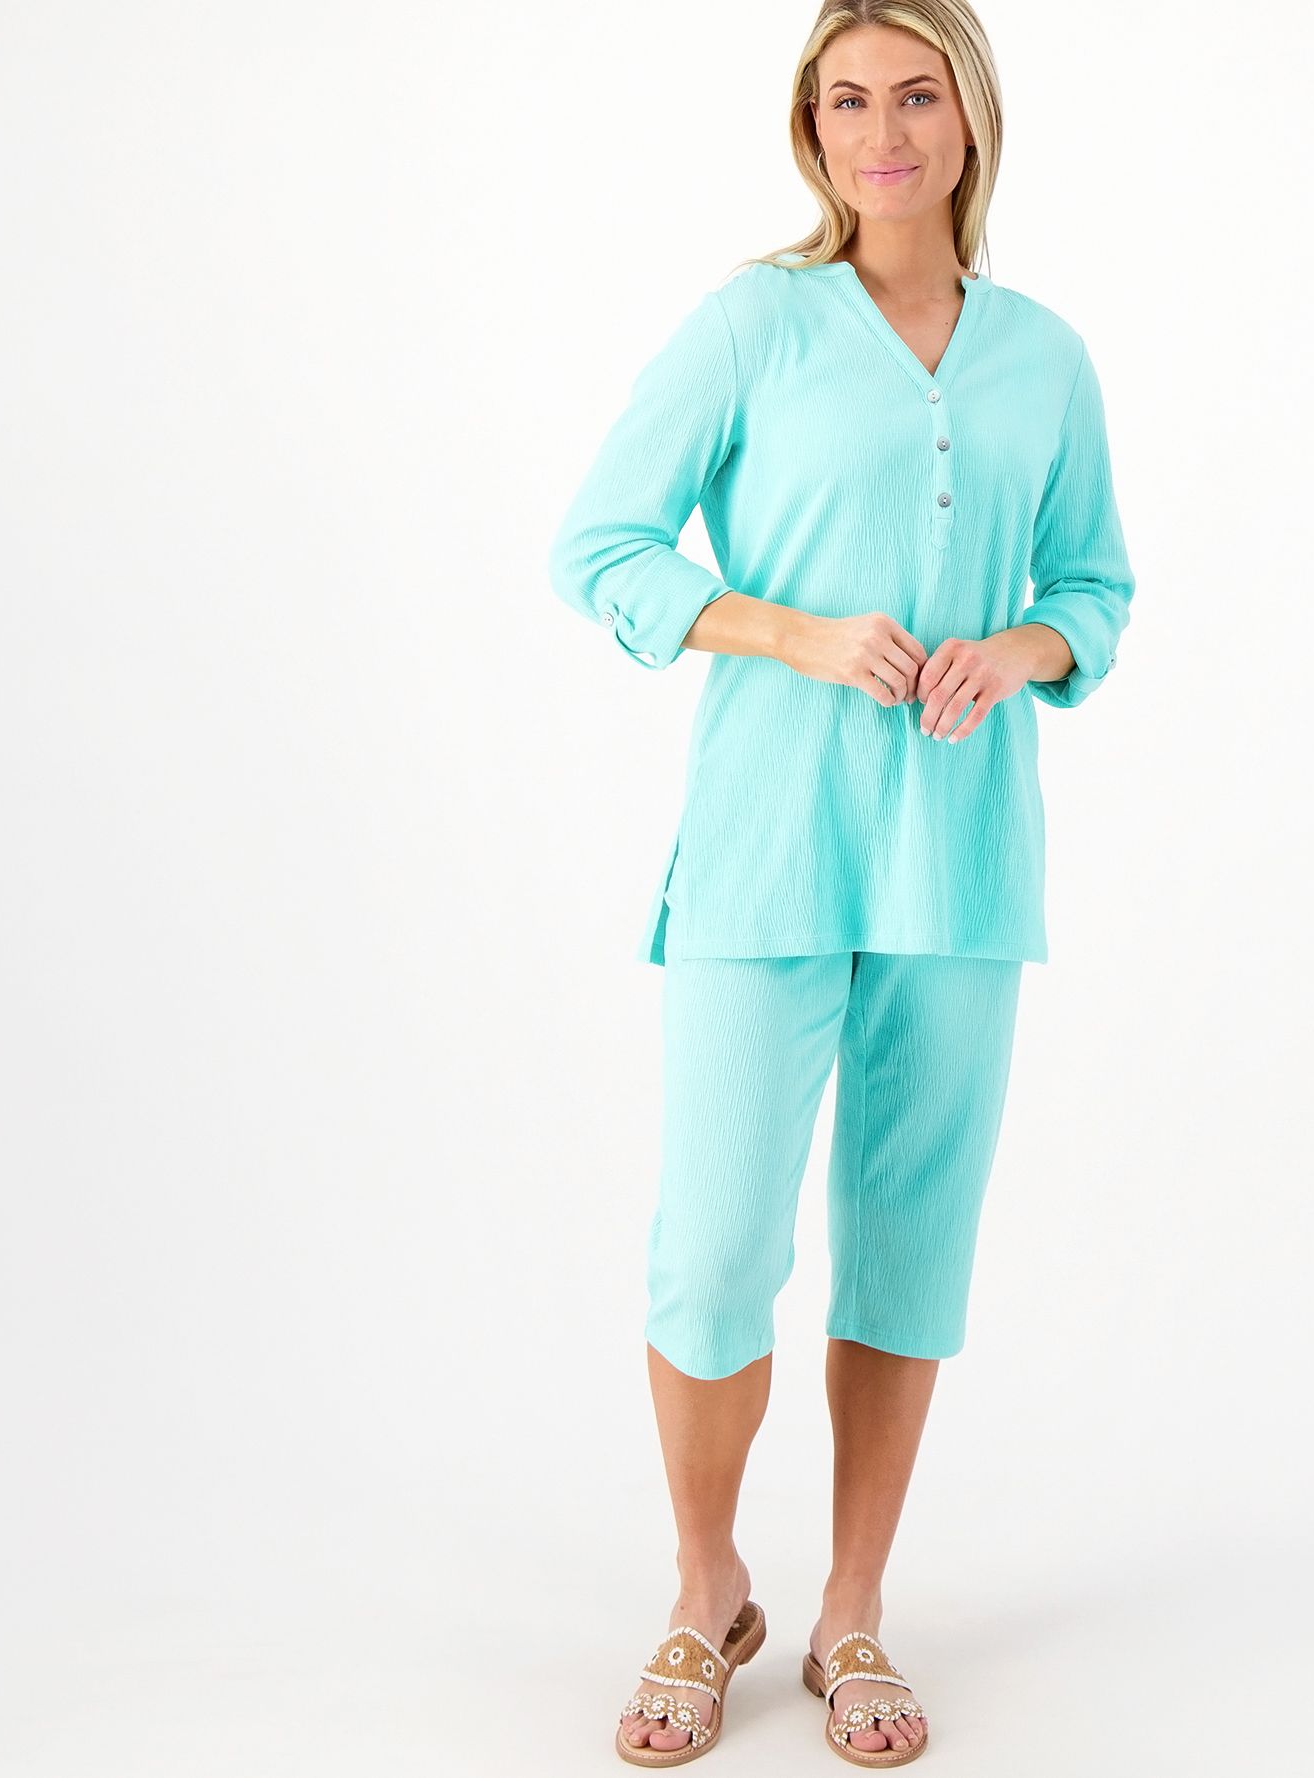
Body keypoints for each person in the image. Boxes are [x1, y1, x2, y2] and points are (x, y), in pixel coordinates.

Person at [548, 1, 1134, 1764]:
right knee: (716, 1245)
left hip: (960, 866)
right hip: (768, 846)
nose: (884, 131)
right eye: (848, 100)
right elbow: (601, 545)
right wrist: (791, 630)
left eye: (917, 94)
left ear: (972, 117)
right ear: (812, 130)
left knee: (907, 1247)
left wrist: (1018, 649)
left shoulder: (1045, 358)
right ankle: (705, 1587)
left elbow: (1096, 590)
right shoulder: (754, 323)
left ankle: (852, 1608)